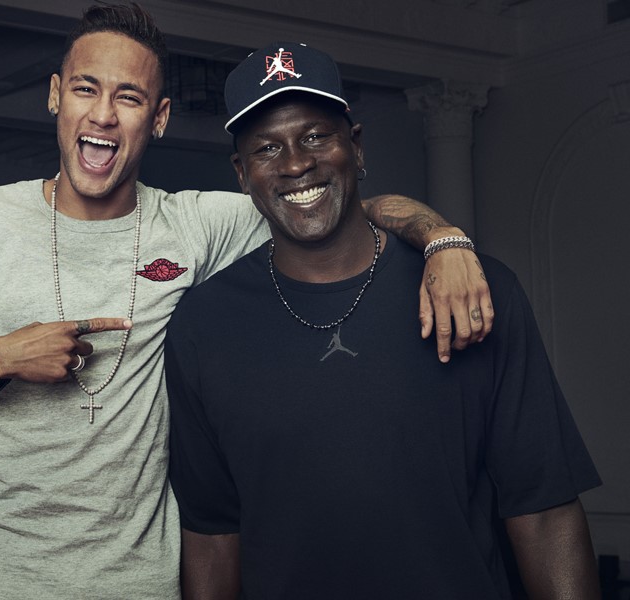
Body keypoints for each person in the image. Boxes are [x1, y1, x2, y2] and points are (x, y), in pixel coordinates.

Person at [0, 5, 489, 600]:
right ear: (55, 95)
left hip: (141, 587)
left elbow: (335, 203)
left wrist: (444, 239)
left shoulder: (194, 225)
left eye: (128, 97)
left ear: (158, 118)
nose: (103, 115)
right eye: (85, 89)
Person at [165, 42, 602, 599]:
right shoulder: (204, 325)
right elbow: (211, 534)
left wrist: (441, 238)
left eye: (315, 136)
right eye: (267, 148)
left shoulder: (475, 293)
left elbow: (543, 510)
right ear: (242, 173)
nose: (296, 163)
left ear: (356, 146)